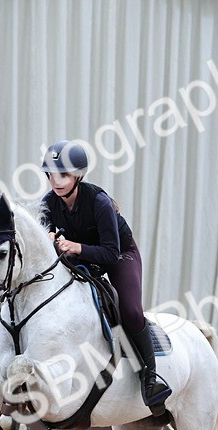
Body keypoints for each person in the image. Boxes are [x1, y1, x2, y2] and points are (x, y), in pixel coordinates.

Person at [39, 140, 171, 410]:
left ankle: (151, 376)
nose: (56, 181)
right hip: (84, 257)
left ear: (78, 176)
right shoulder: (48, 203)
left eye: (63, 175)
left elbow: (110, 253)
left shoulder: (99, 202)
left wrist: (76, 247)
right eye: (51, 175)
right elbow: (46, 238)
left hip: (120, 255)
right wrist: (49, 239)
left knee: (130, 311)